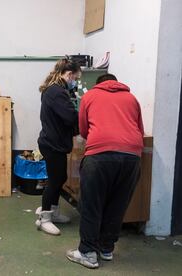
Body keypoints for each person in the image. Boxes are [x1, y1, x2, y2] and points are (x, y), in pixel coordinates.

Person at [66, 74, 144, 269]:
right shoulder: (132, 98)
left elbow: (83, 129)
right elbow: (139, 129)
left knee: (92, 204)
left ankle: (87, 253)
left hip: (99, 155)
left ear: (97, 84)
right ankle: (106, 249)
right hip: (131, 157)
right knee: (117, 204)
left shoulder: (90, 96)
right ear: (117, 82)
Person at [35, 58, 81, 235]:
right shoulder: (57, 92)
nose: (75, 82)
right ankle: (44, 218)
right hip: (52, 143)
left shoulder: (55, 90)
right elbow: (70, 118)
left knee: (59, 177)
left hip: (53, 141)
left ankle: (52, 211)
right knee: (55, 180)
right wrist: (80, 121)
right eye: (75, 78)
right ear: (69, 74)